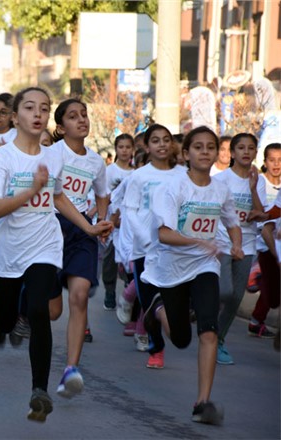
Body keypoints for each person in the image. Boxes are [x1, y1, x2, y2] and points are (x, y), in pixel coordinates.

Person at [0, 87, 112, 422]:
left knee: (39, 310)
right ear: (14, 116)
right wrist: (32, 189)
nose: (37, 114)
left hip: (44, 245)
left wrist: (88, 227)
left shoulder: (54, 157)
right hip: (7, 251)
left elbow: (59, 197)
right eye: (29, 108)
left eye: (44, 108)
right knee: (9, 320)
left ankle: (40, 391)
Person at [141, 126, 242, 425]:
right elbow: (164, 234)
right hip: (171, 269)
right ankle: (157, 311)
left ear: (217, 153)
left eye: (211, 147)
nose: (205, 152)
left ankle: (202, 402)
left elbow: (232, 222)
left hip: (204, 266)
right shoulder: (173, 188)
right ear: (185, 154)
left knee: (208, 330)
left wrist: (235, 244)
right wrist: (199, 241)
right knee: (182, 339)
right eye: (198, 147)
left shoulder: (221, 189)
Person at [46, 98, 110, 395]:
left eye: (84, 115)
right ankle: (20, 302)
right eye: (73, 116)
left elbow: (102, 193)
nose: (81, 120)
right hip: (51, 227)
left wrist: (102, 219)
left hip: (83, 231)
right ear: (61, 127)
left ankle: (71, 368)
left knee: (80, 297)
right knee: (52, 311)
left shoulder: (96, 162)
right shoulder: (51, 154)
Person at [121, 123, 186, 369]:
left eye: (166, 140)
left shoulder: (183, 175)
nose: (161, 144)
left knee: (171, 302)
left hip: (175, 250)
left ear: (172, 145)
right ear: (147, 147)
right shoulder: (139, 176)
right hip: (145, 251)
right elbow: (130, 210)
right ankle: (156, 348)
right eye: (155, 140)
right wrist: (147, 239)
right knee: (151, 304)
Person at [212, 133, 265, 364]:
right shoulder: (221, 179)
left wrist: (253, 189)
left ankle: (218, 340)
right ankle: (201, 310)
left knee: (235, 296)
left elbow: (261, 212)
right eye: (240, 148)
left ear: (255, 153)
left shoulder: (259, 180)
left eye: (251, 148)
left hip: (248, 242)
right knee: (224, 290)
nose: (246, 152)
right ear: (232, 153)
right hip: (222, 240)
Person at [249, 143, 280, 339]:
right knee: (274, 294)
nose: (277, 164)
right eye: (272, 160)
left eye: (280, 160)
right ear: (265, 162)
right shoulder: (260, 182)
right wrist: (263, 217)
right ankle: (257, 319)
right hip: (266, 240)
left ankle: (256, 320)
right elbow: (271, 212)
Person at [102, 133, 134, 310]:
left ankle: (130, 290)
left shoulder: (136, 172)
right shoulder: (110, 171)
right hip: (112, 221)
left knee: (129, 258)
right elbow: (104, 195)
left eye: (128, 147)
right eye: (121, 147)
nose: (124, 150)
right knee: (109, 258)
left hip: (128, 223)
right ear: (116, 149)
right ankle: (109, 290)